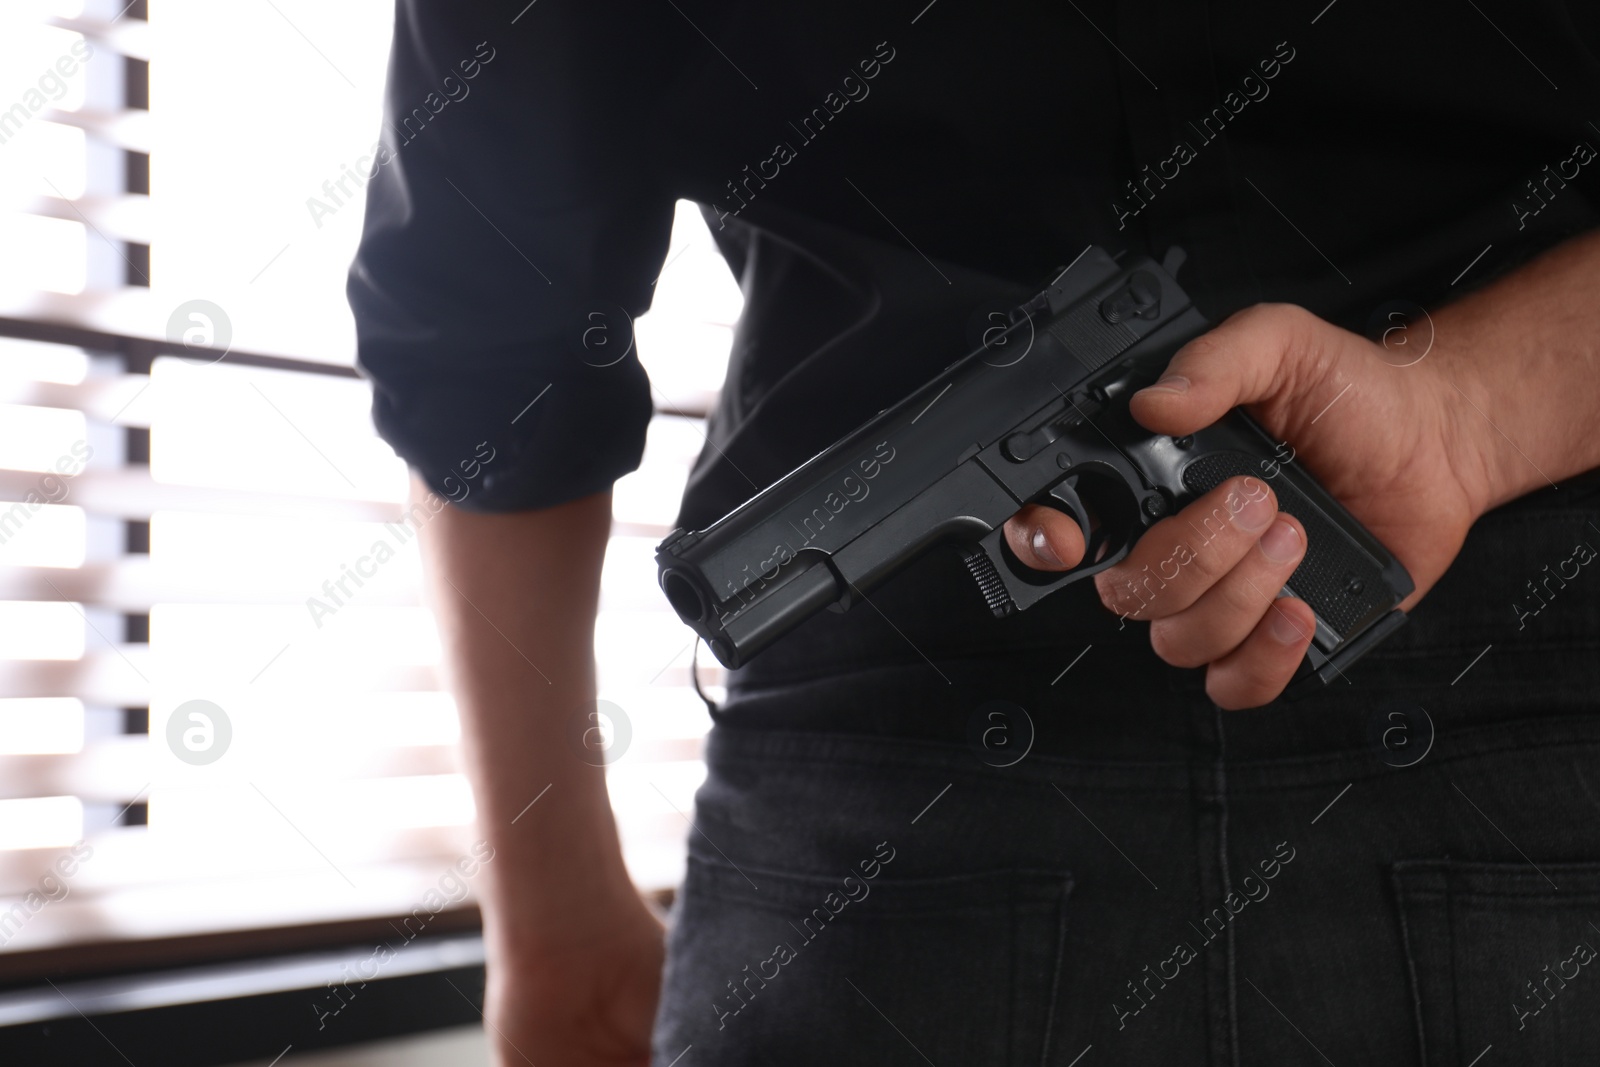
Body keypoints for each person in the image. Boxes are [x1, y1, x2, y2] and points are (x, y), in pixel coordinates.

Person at [349, 2, 1600, 1062]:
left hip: (891, 784)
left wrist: (554, 917)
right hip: (1529, 738)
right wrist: (1465, 413)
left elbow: (482, 343)